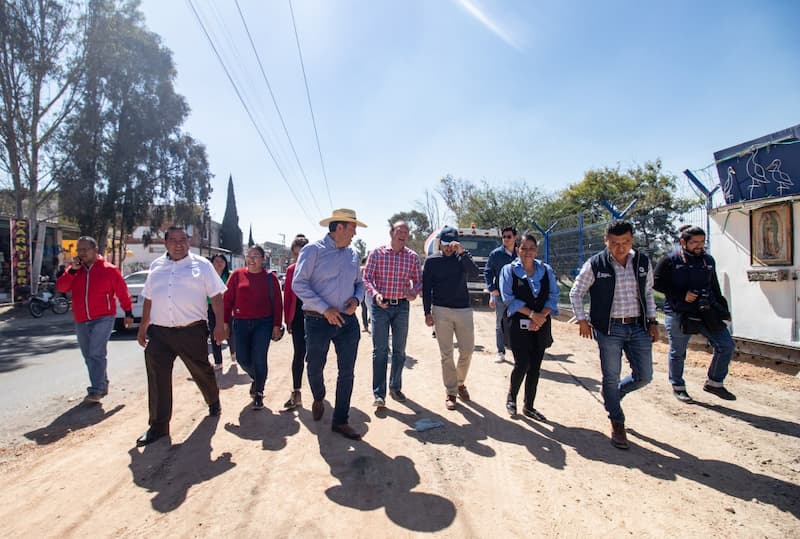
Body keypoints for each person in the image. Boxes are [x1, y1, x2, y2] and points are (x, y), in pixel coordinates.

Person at [569, 220, 658, 450]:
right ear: (606, 241)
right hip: (609, 329)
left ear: (632, 240)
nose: (621, 248)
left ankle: (614, 395)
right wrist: (582, 320)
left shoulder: (642, 262)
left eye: (626, 242)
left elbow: (648, 293)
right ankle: (617, 422)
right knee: (611, 375)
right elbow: (576, 292)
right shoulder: (596, 264)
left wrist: (652, 321)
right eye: (615, 243)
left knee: (644, 376)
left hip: (638, 327)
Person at [135, 226, 227, 447]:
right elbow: (148, 297)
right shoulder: (156, 266)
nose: (179, 244)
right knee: (157, 377)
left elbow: (216, 297)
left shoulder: (202, 265)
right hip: (160, 332)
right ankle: (158, 426)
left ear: (189, 242)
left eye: (183, 240)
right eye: (173, 240)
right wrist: (143, 325)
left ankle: (213, 400)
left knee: (201, 370)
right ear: (165, 243)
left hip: (191, 330)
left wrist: (220, 326)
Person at [292, 209, 366, 440]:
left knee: (347, 372)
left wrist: (357, 299)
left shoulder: (353, 254)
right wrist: (325, 308)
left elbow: (360, 284)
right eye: (352, 227)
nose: (355, 233)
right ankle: (318, 396)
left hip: (347, 321)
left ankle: (340, 420)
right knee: (314, 365)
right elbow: (299, 284)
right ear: (340, 227)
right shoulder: (313, 250)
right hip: (317, 320)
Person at [653, 225, 736, 402]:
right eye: (695, 242)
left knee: (726, 345)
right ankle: (678, 386)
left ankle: (715, 382)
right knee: (678, 351)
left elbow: (714, 286)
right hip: (679, 312)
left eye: (702, 242)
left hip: (706, 311)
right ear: (683, 242)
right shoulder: (669, 260)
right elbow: (657, 284)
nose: (699, 246)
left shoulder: (708, 260)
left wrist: (723, 311)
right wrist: (681, 294)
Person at [56, 236, 133, 404]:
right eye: (79, 250)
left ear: (95, 250)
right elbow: (61, 287)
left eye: (85, 249)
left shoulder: (109, 270)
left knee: (96, 353)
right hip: (81, 318)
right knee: (88, 355)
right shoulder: (74, 270)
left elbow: (122, 292)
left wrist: (128, 313)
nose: (81, 253)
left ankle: (96, 390)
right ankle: (102, 383)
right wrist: (73, 271)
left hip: (103, 317)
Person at [499, 233, 559, 420]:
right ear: (517, 250)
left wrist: (541, 317)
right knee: (522, 363)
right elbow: (508, 298)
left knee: (535, 367)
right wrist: (533, 315)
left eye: (531, 248)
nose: (527, 252)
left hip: (541, 324)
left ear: (536, 250)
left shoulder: (546, 270)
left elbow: (553, 296)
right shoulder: (508, 270)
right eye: (523, 248)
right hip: (518, 324)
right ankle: (512, 397)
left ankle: (529, 406)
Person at [363, 220, 422, 408]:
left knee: (399, 351)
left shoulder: (412, 257)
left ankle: (395, 387)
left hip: (402, 307)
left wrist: (414, 292)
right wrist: (375, 294)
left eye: (406, 231)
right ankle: (379, 394)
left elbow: (419, 280)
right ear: (391, 232)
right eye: (400, 230)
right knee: (380, 351)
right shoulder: (377, 253)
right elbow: (367, 278)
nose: (403, 234)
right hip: (380, 307)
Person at [422, 226, 480, 411]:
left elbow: (475, 273)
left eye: (451, 244)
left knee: (467, 351)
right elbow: (426, 289)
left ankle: (460, 382)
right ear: (440, 243)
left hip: (463, 310)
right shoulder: (432, 261)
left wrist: (461, 253)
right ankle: (451, 392)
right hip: (441, 311)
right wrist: (427, 313)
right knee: (446, 354)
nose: (448, 248)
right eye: (445, 244)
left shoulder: (463, 257)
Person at [223, 245, 283, 410]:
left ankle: (259, 393)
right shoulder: (237, 275)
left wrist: (277, 325)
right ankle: (258, 379)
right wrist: (225, 322)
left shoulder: (270, 278)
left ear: (263, 259)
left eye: (256, 255)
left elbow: (278, 303)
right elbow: (227, 300)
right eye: (249, 255)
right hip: (240, 323)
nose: (251, 259)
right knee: (242, 358)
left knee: (259, 357)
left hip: (263, 323)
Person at [281, 234, 310, 409]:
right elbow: (288, 297)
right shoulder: (291, 270)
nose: (300, 259)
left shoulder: (317, 267)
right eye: (296, 255)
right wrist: (288, 321)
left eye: (303, 254)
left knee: (313, 356)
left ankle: (318, 393)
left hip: (316, 316)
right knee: (299, 353)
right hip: (298, 318)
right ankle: (296, 391)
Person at [485, 226, 518, 362]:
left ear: (515, 238)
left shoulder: (520, 252)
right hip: (500, 295)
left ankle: (518, 352)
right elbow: (488, 272)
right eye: (504, 236)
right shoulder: (496, 254)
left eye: (509, 236)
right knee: (500, 323)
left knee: (517, 324)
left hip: (518, 296)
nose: (506, 239)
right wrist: (492, 289)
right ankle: (500, 351)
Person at [208, 254, 232, 370]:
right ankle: (218, 361)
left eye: (222, 261)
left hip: (227, 308)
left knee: (229, 332)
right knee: (214, 333)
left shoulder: (230, 276)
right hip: (210, 307)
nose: (219, 263)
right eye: (216, 261)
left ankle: (233, 353)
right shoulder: (207, 276)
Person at [360, 257, 371, 332]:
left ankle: (366, 326)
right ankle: (369, 321)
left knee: (364, 309)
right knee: (371, 308)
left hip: (363, 292)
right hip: (369, 291)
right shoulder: (363, 268)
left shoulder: (360, 268)